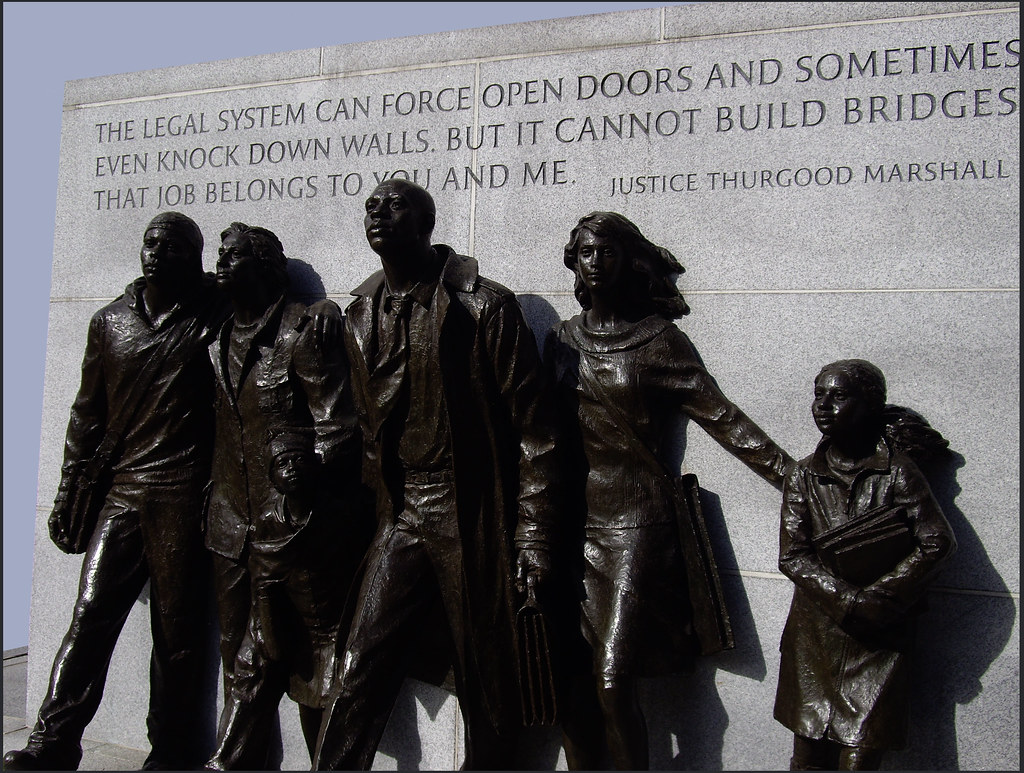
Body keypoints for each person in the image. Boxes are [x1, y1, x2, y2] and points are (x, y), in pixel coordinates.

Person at [313, 179, 560, 770]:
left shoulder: (483, 306)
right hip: (400, 513)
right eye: (371, 206)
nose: (378, 213)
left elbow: (537, 432)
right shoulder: (359, 314)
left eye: (394, 204)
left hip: (469, 509)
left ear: (427, 221)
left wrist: (533, 534)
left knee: (487, 681)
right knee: (358, 664)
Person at [545, 211, 793, 770]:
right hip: (573, 525)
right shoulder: (560, 340)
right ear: (574, 261)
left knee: (612, 678)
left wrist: (795, 476)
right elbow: (541, 435)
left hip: (637, 521)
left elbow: (723, 417)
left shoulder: (658, 340)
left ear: (628, 263)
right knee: (570, 682)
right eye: (587, 251)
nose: (597, 261)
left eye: (609, 252)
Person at [4, 212, 227, 771]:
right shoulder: (109, 322)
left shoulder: (215, 313)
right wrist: (68, 489)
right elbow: (87, 415)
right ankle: (52, 742)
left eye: (173, 246)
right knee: (89, 614)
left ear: (193, 256)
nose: (157, 252)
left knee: (177, 634)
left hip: (183, 491)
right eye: (151, 243)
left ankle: (173, 751)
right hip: (123, 494)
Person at [203, 223, 359, 768]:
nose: (221, 263)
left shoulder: (303, 328)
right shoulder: (217, 339)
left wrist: (303, 472)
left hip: (297, 529)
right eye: (220, 255)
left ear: (268, 266)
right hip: (232, 528)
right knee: (243, 659)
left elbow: (336, 428)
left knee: (315, 667)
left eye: (235, 256)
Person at [774, 359, 957, 771]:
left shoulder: (898, 473)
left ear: (870, 404)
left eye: (838, 396)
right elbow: (792, 555)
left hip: (878, 637)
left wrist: (877, 597)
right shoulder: (803, 475)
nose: (823, 405)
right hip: (816, 633)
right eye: (819, 394)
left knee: (860, 757)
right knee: (806, 756)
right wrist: (847, 599)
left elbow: (936, 541)